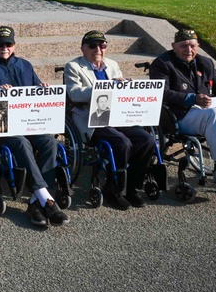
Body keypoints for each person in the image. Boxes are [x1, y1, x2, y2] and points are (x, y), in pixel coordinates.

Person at [0, 26, 70, 228]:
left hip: (28, 123)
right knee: (21, 143)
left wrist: (43, 90)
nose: (4, 47)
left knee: (50, 142)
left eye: (9, 44)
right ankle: (47, 200)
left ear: (14, 45)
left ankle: (36, 202)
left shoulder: (25, 65)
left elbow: (36, 92)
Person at [64, 30, 157, 209]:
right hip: (91, 118)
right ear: (83, 48)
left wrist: (124, 86)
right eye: (92, 46)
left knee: (147, 140)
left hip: (116, 115)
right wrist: (103, 89)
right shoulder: (74, 66)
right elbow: (74, 94)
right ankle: (112, 190)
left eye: (102, 45)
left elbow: (119, 92)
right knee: (122, 143)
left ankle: (132, 188)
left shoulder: (112, 64)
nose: (98, 49)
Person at [149, 30, 216, 187]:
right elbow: (161, 92)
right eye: (183, 46)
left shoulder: (205, 63)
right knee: (213, 114)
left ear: (198, 46)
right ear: (173, 46)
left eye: (192, 46)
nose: (188, 50)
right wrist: (192, 98)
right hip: (179, 116)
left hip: (206, 112)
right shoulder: (163, 63)